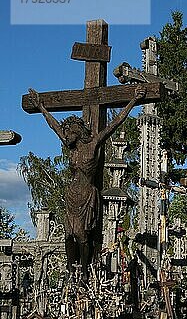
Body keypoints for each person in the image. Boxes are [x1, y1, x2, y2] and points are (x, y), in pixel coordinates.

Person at [28, 86, 145, 273]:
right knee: (68, 234)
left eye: (69, 134)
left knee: (82, 236)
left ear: (77, 131)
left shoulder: (93, 144)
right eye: (65, 135)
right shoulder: (71, 148)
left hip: (87, 196)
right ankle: (70, 269)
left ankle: (84, 271)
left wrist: (133, 100)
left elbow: (115, 123)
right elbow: (54, 125)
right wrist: (41, 106)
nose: (66, 138)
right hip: (72, 195)